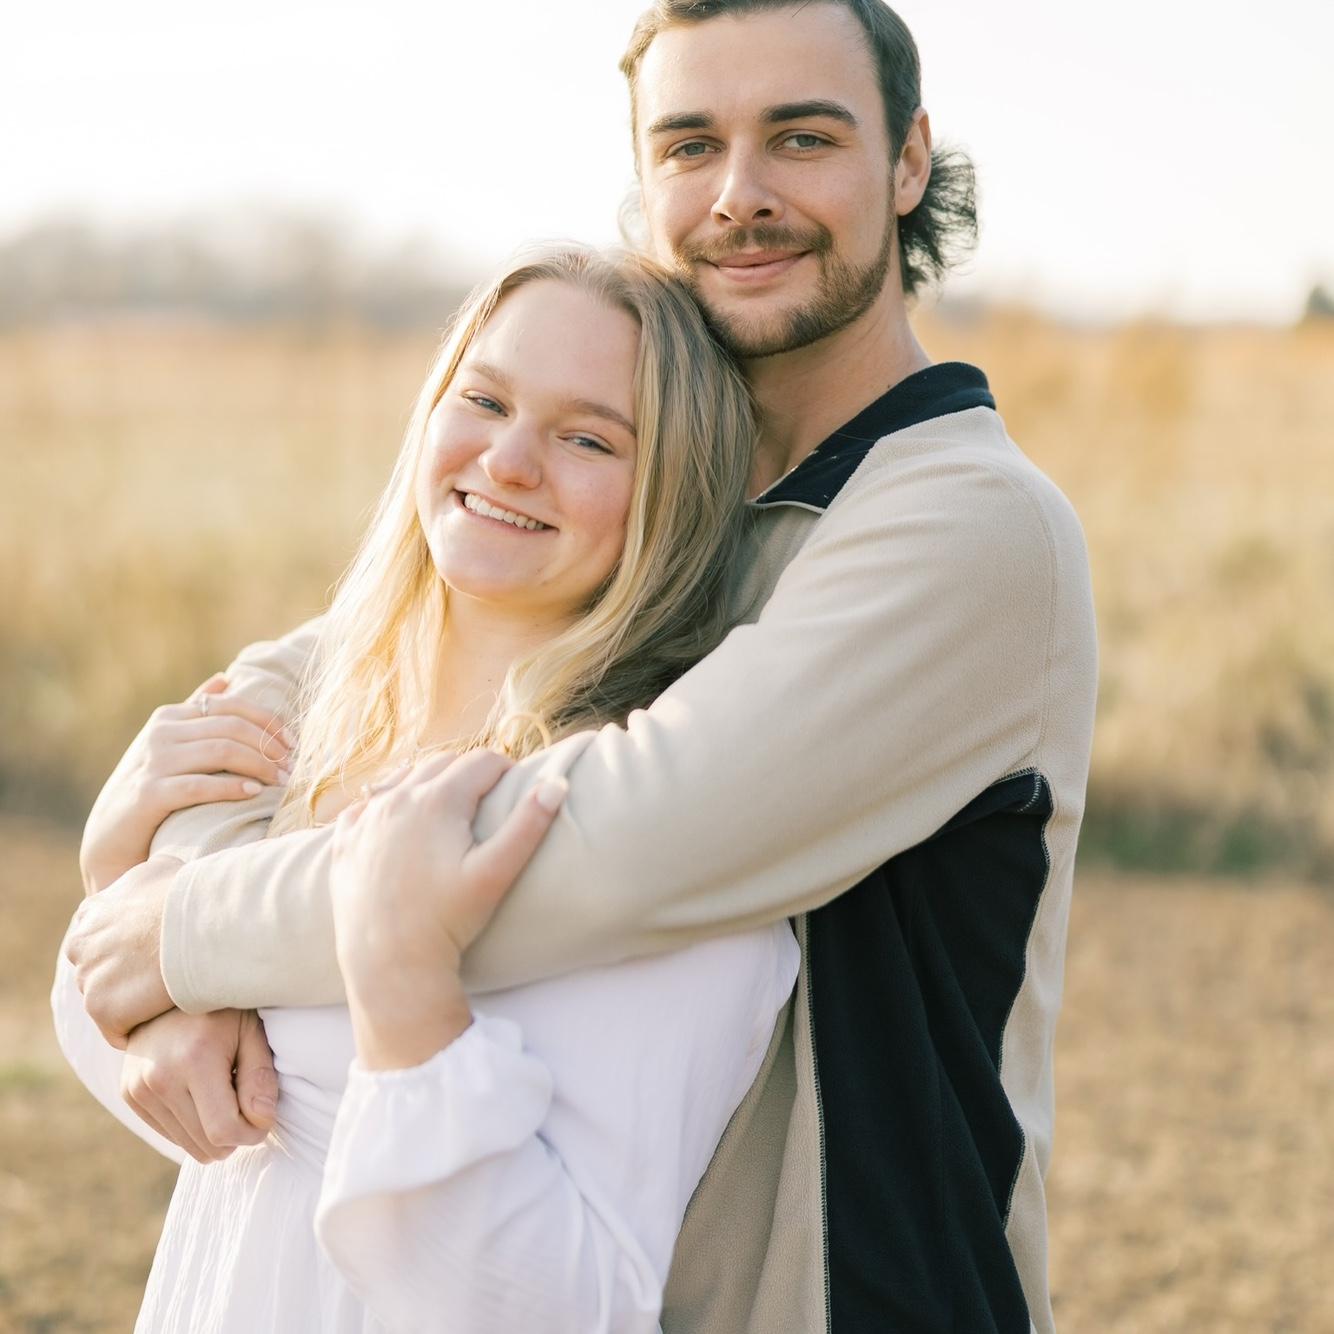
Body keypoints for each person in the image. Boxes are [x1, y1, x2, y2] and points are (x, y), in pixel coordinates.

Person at [65, 2, 1099, 1330]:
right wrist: (152, 873)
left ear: (906, 162)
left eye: (799, 137)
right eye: (687, 145)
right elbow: (342, 665)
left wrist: (178, 933)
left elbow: (596, 844)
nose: (739, 194)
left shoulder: (958, 524)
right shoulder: (663, 485)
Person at [55, 246, 798, 1331]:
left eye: (587, 436)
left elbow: (569, 1303)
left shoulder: (641, 849)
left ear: (670, 500)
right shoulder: (307, 726)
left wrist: (411, 1004)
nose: (506, 459)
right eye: (484, 398)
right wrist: (145, 967)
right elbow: (218, 1123)